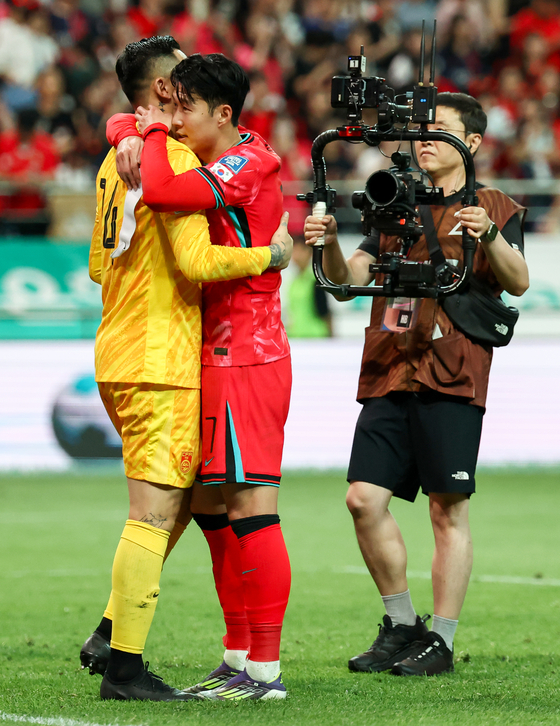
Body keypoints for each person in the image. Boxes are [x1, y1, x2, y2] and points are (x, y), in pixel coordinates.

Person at [86, 37, 291, 703]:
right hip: (164, 356)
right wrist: (268, 257)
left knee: (196, 505)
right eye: (182, 79)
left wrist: (123, 127)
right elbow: (199, 264)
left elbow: (96, 265)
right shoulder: (169, 155)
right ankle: (122, 661)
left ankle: (124, 636)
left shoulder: (110, 162)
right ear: (166, 91)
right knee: (157, 512)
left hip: (116, 347)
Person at [304, 92, 529, 676]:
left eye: (441, 131)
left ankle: (443, 640)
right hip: (388, 365)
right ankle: (402, 624)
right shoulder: (391, 200)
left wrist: (488, 235)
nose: (425, 139)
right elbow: (348, 278)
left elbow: (520, 281)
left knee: (446, 509)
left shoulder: (495, 204)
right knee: (362, 499)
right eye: (422, 131)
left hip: (452, 370)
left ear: (471, 144)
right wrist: (326, 238)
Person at [285, 237, 333, 338]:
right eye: (294, 251)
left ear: (309, 253)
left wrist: (331, 337)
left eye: (300, 251)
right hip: (295, 336)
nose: (296, 256)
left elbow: (325, 311)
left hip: (316, 337)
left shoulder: (315, 279)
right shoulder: (294, 281)